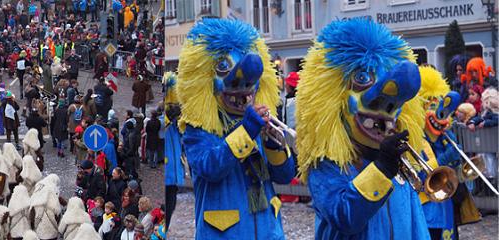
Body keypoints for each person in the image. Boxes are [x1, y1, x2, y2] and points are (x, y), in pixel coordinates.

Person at [296, 18, 430, 239]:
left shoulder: (399, 165)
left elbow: (417, 225)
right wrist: (381, 170)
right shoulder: (326, 165)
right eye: (362, 79)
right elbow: (344, 217)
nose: (384, 108)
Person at [176, 19, 295, 239]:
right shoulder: (197, 129)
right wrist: (246, 131)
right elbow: (210, 168)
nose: (243, 87)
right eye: (223, 68)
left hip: (269, 231)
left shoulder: (258, 122)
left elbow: (285, 176)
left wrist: (273, 144)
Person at [415, 67, 481, 239]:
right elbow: (418, 173)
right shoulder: (416, 138)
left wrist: (461, 170)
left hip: (446, 207)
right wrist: (445, 158)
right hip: (426, 208)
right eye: (432, 105)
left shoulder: (445, 136)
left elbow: (451, 173)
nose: (440, 114)